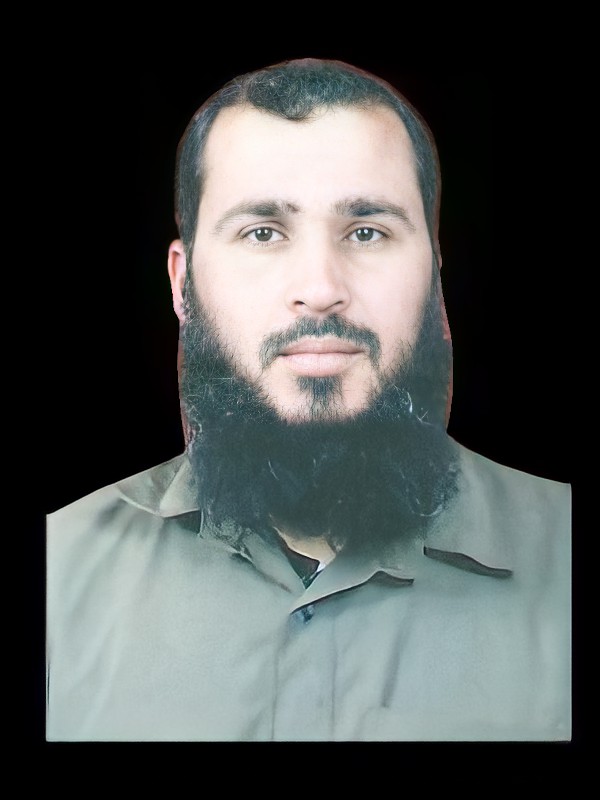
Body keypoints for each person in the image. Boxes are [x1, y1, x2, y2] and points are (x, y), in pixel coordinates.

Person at [46, 59, 571, 741]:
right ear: (181, 283)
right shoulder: (57, 573)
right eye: (263, 232)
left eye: (367, 231)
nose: (321, 289)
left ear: (435, 271)